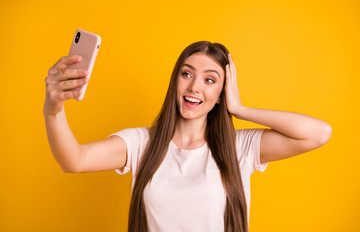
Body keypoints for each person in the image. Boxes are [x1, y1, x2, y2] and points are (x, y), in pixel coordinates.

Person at [43, 41, 332, 232]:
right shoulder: (141, 143)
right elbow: (74, 160)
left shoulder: (239, 147)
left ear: (221, 93)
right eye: (186, 74)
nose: (195, 86)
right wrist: (53, 108)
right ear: (176, 80)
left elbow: (318, 134)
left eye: (210, 80)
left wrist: (240, 108)